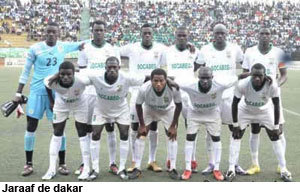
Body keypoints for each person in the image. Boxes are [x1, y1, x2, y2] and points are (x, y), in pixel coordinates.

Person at [12, 22, 84, 176]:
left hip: (55, 94)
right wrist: (18, 92)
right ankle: (28, 164)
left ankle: (62, 164)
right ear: (44, 33)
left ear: (58, 33)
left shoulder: (63, 46)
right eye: (48, 32)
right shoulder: (35, 49)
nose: (51, 34)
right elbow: (25, 71)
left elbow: (82, 45)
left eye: (54, 32)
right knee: (31, 126)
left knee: (59, 128)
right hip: (37, 92)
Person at [81, 56, 148, 180]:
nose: (112, 69)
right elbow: (79, 79)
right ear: (105, 68)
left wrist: (168, 80)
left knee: (124, 134)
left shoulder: (127, 77)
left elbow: (148, 78)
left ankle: (122, 168)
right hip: (101, 110)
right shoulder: (96, 77)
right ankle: (95, 169)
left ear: (119, 68)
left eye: (114, 67)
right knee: (95, 134)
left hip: (121, 111)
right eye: (109, 67)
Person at [195, 23, 245, 176]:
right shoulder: (205, 49)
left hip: (230, 94)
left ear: (226, 34)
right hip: (212, 95)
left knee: (234, 128)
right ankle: (211, 163)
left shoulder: (235, 48)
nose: (220, 35)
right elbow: (195, 67)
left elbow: (246, 66)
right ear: (213, 34)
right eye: (217, 33)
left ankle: (234, 163)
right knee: (211, 130)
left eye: (222, 33)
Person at [230, 63, 292, 182]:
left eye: (260, 76)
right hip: (246, 109)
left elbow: (276, 105)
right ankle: (231, 168)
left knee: (275, 136)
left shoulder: (272, 85)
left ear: (265, 75)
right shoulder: (243, 84)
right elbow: (234, 103)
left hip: (265, 110)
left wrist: (275, 126)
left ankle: (284, 169)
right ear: (250, 75)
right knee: (236, 135)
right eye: (254, 76)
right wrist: (235, 125)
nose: (257, 78)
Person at [119, 24, 167, 173]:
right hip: (136, 91)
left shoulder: (160, 49)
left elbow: (167, 64)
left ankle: (152, 160)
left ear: (153, 35)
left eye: (149, 33)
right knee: (135, 126)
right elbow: (113, 52)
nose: (147, 35)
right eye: (144, 33)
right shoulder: (132, 48)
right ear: (141, 34)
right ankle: (134, 161)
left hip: (154, 92)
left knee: (153, 126)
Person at [76, 20, 121, 175]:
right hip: (89, 94)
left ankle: (112, 163)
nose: (99, 33)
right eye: (96, 30)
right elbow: (81, 71)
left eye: (101, 30)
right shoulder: (84, 48)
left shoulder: (111, 49)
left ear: (105, 31)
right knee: (89, 129)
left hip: (107, 95)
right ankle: (86, 164)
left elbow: (117, 73)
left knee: (110, 127)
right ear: (92, 31)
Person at [241, 27, 288, 175]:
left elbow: (284, 75)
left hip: (272, 96)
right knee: (254, 130)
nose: (264, 36)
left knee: (278, 130)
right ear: (257, 35)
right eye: (261, 33)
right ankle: (255, 164)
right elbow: (244, 73)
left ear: (271, 36)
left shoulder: (279, 52)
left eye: (267, 33)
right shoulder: (249, 51)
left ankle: (282, 165)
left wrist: (274, 86)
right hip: (254, 95)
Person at [177, 67, 237, 181]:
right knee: (190, 137)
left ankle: (216, 168)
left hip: (212, 113)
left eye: (207, 78)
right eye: (202, 78)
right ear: (198, 78)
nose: (205, 81)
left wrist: (250, 74)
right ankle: (188, 168)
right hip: (194, 113)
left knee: (216, 138)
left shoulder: (220, 85)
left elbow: (236, 78)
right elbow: (174, 82)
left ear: (212, 78)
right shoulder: (189, 85)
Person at [129, 68, 182, 180]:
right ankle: (137, 167)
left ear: (165, 80)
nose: (158, 84)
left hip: (167, 110)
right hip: (149, 109)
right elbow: (138, 105)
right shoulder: (144, 88)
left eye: (161, 81)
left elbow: (179, 105)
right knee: (141, 135)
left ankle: (172, 168)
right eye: (155, 81)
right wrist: (142, 125)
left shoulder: (174, 88)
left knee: (172, 136)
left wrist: (173, 126)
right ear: (151, 80)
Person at [42, 61, 90, 181]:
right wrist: (51, 101)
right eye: (62, 74)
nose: (65, 77)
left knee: (82, 133)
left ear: (74, 73)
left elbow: (95, 82)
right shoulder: (52, 80)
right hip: (61, 105)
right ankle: (52, 168)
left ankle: (87, 167)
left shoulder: (82, 80)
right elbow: (47, 85)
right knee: (57, 132)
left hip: (80, 104)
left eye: (69, 74)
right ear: (59, 74)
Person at [163, 26, 199, 173]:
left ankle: (192, 158)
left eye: (184, 35)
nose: (182, 38)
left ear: (188, 36)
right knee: (172, 125)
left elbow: (198, 65)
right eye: (179, 36)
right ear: (175, 36)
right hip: (172, 92)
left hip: (189, 93)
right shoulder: (168, 51)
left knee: (190, 125)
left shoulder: (195, 51)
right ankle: (170, 158)